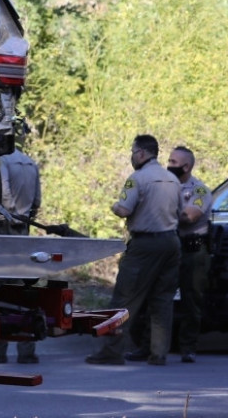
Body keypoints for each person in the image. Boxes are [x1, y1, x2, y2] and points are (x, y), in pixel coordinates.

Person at [85, 134, 182, 366]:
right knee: (162, 300)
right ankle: (158, 353)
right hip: (171, 242)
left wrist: (114, 206)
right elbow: (181, 212)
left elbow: (124, 210)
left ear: (141, 153)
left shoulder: (136, 178)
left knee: (124, 298)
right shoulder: (173, 179)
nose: (131, 156)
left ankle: (112, 351)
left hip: (145, 244)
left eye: (132, 151)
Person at [125, 145, 213, 363]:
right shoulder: (166, 185)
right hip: (168, 248)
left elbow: (189, 216)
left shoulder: (199, 191)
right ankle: (147, 346)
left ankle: (188, 347)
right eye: (169, 160)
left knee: (192, 298)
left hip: (192, 250)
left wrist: (160, 210)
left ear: (186, 166)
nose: (169, 165)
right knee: (156, 297)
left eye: (174, 162)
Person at [0, 128, 43, 364]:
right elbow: (37, 200)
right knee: (23, 291)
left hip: (3, 229)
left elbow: (4, 192)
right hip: (24, 229)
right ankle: (26, 350)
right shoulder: (30, 163)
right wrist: (26, 217)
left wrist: (10, 215)